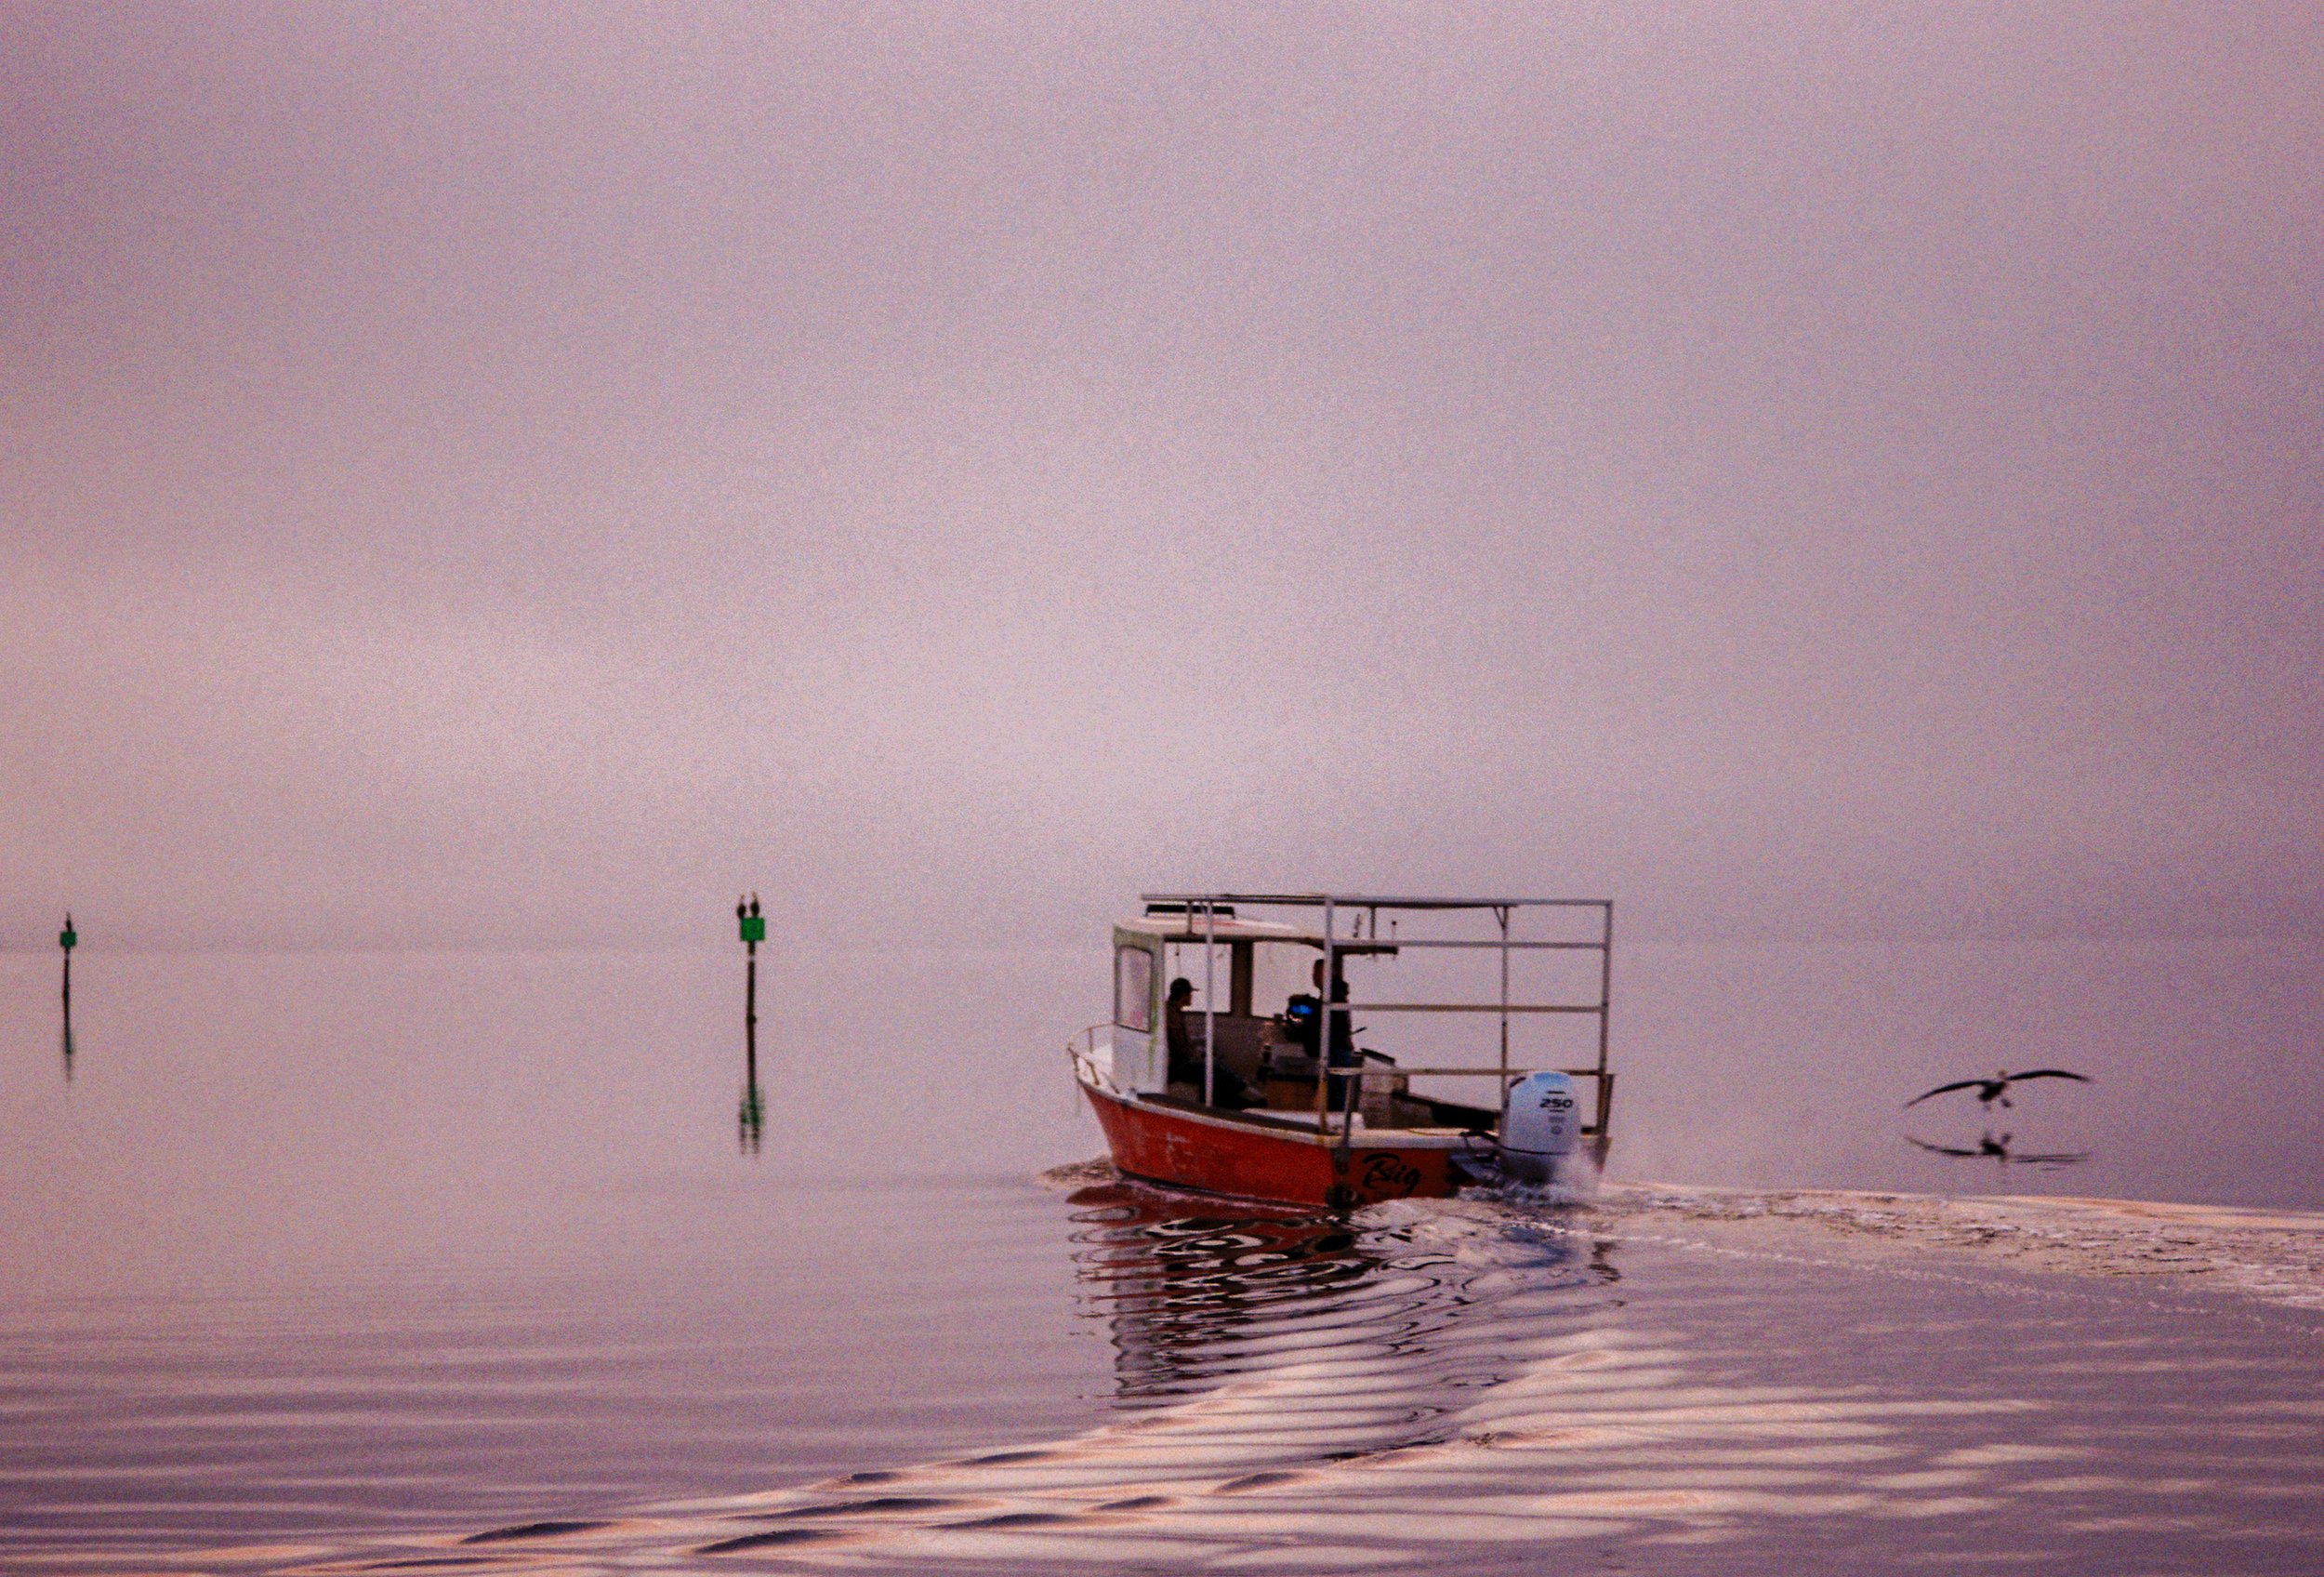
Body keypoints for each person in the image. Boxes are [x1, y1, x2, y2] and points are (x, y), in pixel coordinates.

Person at [1165, 976, 1259, 1107]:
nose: (1191, 997)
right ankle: (1245, 1092)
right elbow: (1178, 1046)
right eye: (1190, 994)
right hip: (1176, 1065)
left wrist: (1198, 1053)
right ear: (1184, 995)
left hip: (1182, 1060)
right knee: (1213, 1068)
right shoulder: (1171, 1014)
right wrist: (1196, 1055)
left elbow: (1182, 1042)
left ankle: (1240, 1095)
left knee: (1215, 1064)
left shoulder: (1175, 1012)